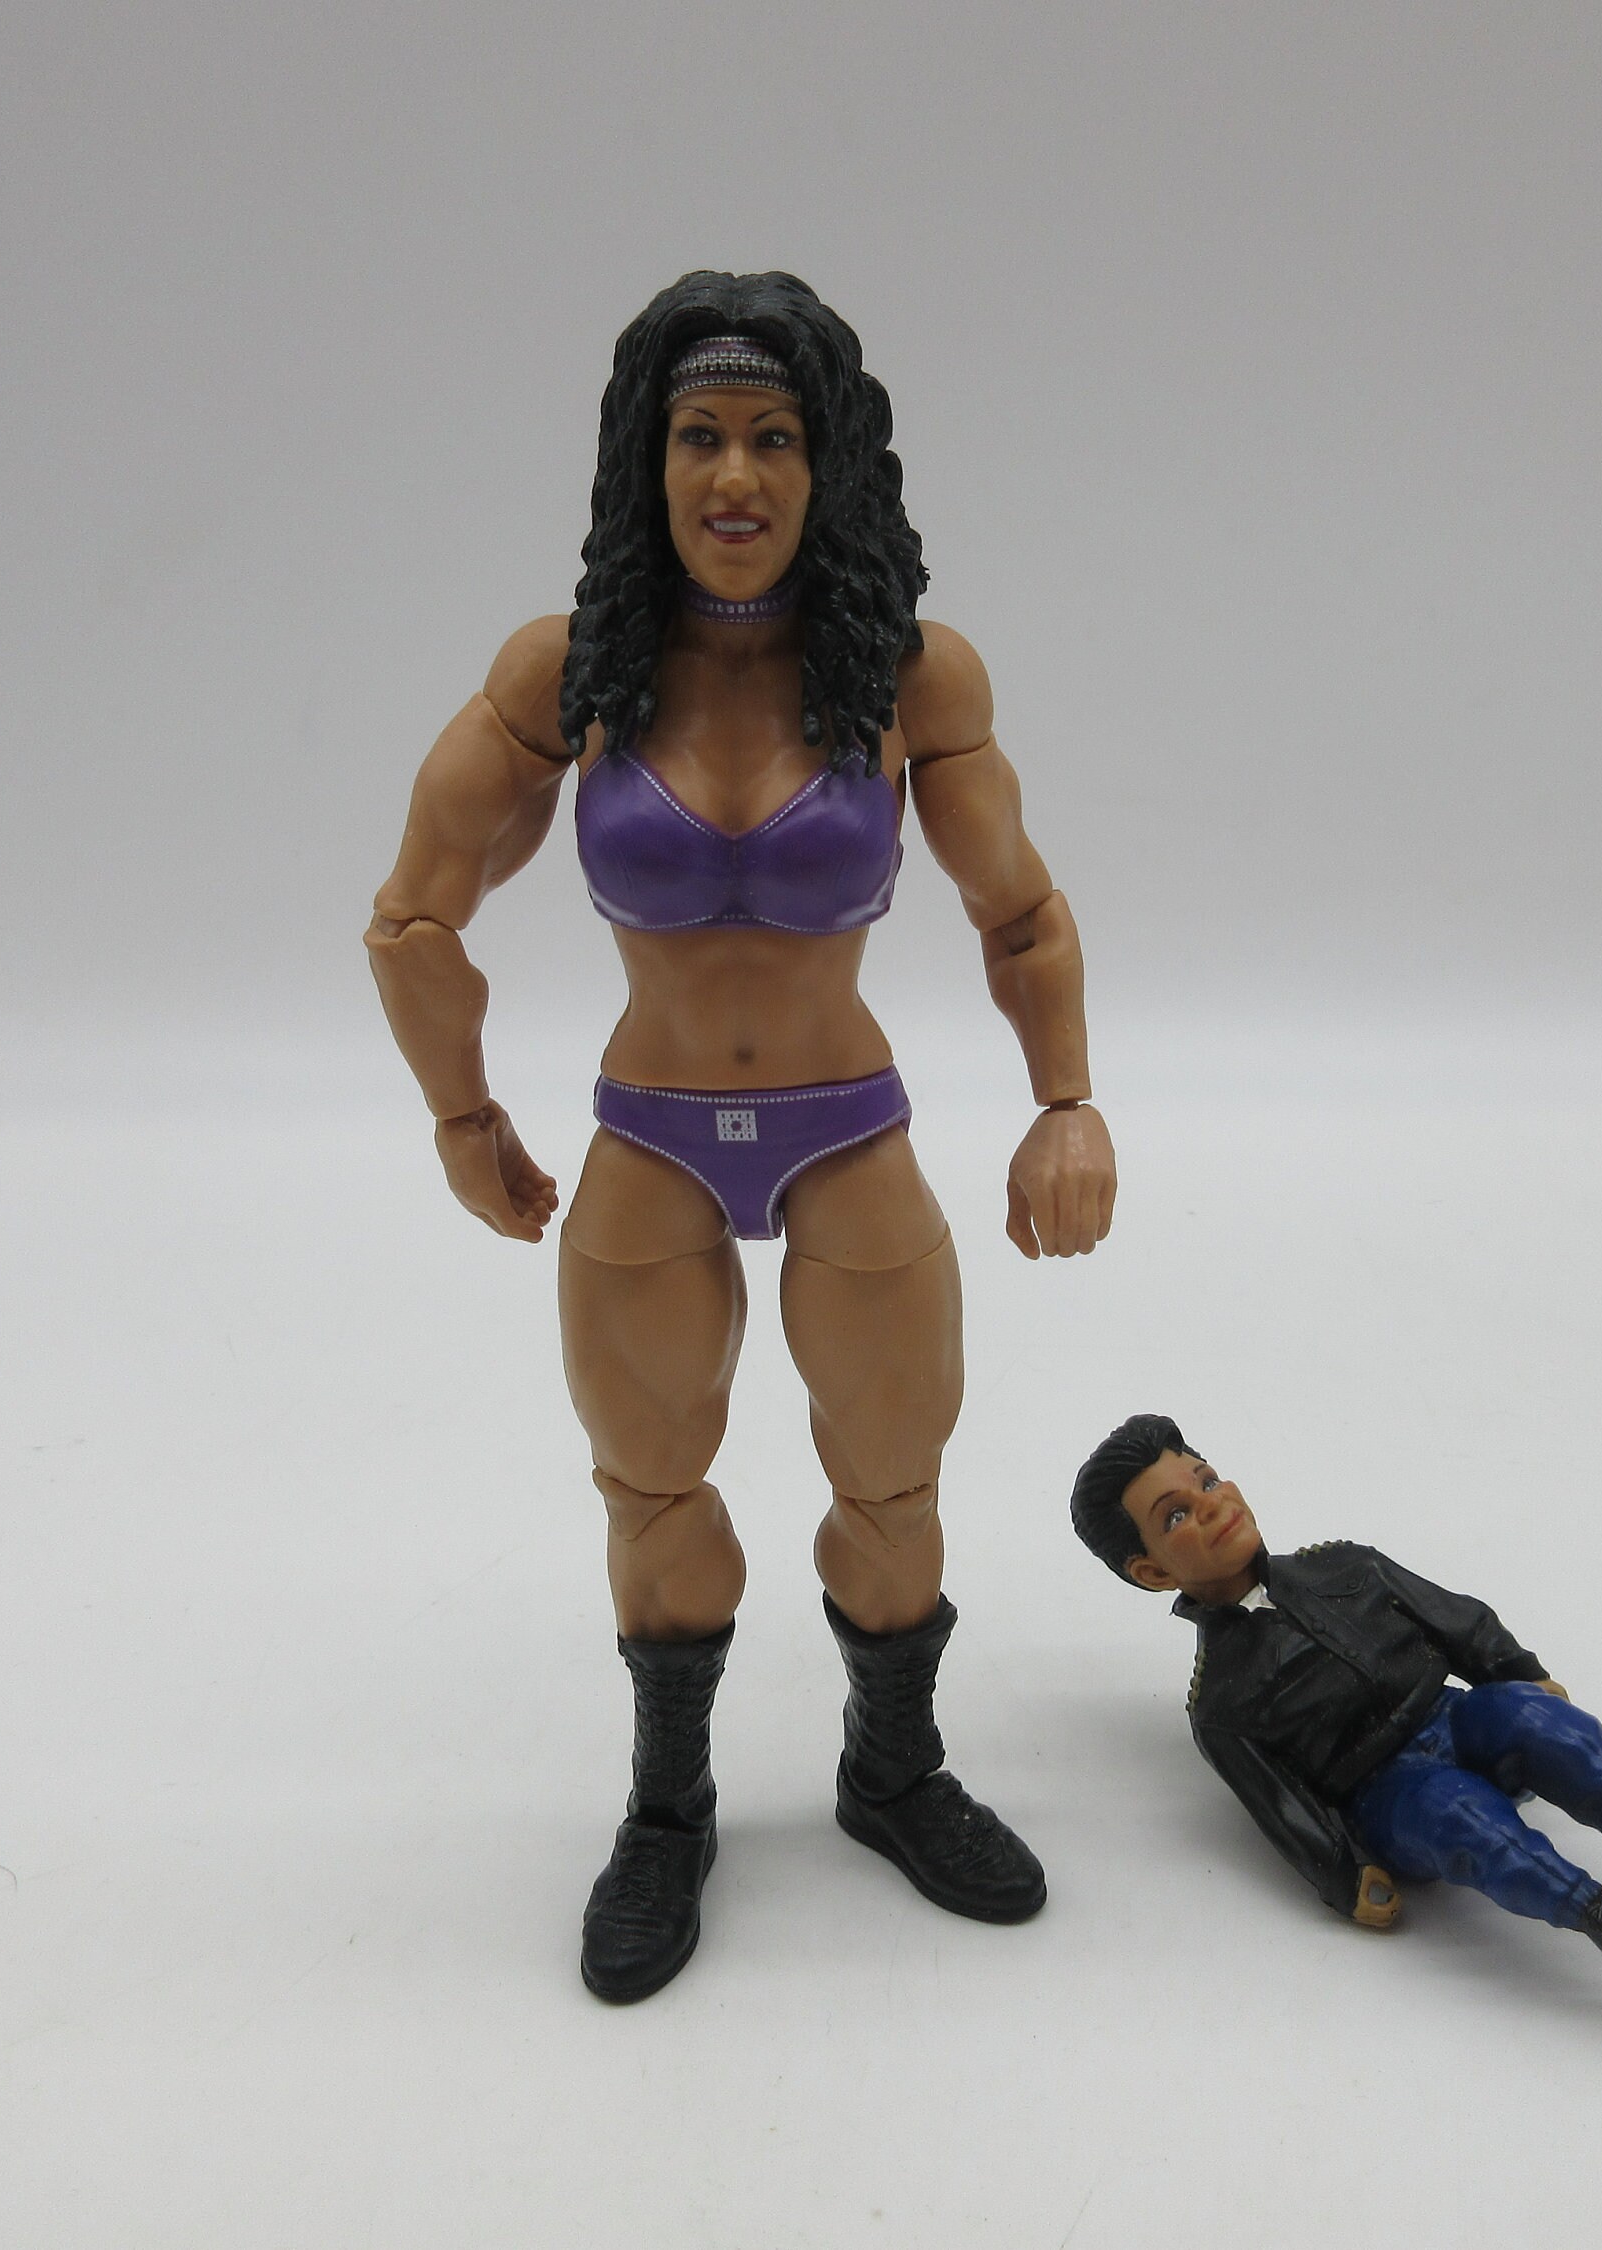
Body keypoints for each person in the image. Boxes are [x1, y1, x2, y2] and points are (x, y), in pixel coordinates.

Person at [369, 273, 1116, 2003]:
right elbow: (413, 916)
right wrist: (460, 1115)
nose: (734, 475)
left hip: (844, 1127)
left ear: (825, 464)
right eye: (699, 435)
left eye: (774, 438)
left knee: (894, 1482)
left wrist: (1066, 1104)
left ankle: (894, 1770)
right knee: (651, 1490)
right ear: (647, 461)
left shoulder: (907, 674)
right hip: (649, 1135)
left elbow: (1021, 911)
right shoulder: (573, 674)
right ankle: (668, 1808)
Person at [1068, 1414, 1602, 1984]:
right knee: (1458, 1812)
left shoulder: (1344, 1565)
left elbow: (1455, 1617)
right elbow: (1284, 1810)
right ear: (1152, 1572)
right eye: (1175, 1517)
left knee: (1530, 1717)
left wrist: (1516, 1671)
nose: (1212, 1505)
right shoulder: (1221, 1704)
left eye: (1207, 1478)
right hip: (1386, 1789)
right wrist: (1349, 1878)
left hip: (1453, 1716)